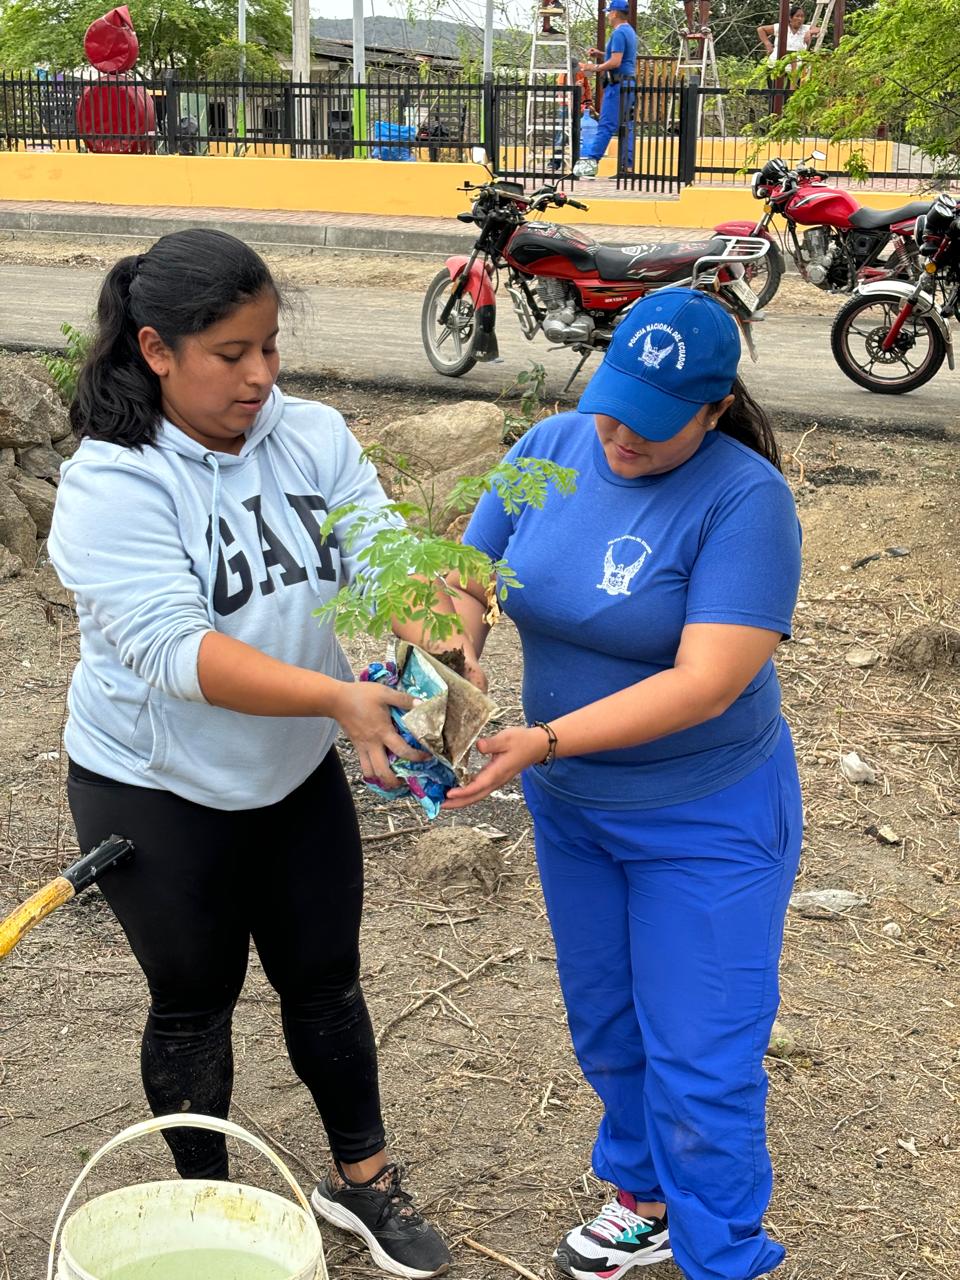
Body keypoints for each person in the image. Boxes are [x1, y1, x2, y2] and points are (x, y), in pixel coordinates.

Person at [47, 228, 468, 1280]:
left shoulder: (310, 434)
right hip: (152, 783)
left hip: (290, 768)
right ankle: (210, 1209)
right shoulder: (113, 482)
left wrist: (442, 629)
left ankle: (362, 1181)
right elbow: (172, 649)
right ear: (156, 350)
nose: (260, 375)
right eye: (231, 353)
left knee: (325, 978)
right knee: (193, 998)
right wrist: (337, 698)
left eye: (270, 347)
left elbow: (380, 555)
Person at [441, 288, 804, 1280]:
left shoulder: (746, 502)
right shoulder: (551, 449)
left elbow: (706, 681)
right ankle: (642, 1198)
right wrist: (453, 660)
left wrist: (547, 738)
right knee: (606, 1018)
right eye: (613, 407)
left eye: (653, 422)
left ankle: (724, 1253)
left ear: (714, 410)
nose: (621, 436)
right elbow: (467, 575)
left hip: (706, 818)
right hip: (575, 811)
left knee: (702, 1051)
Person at [574, 0, 638, 179]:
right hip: (628, 84)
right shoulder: (629, 31)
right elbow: (622, 57)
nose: (608, 16)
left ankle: (590, 163)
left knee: (606, 124)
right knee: (626, 125)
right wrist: (601, 54)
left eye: (609, 12)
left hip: (617, 85)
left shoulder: (618, 33)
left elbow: (616, 62)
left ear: (615, 13)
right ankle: (627, 167)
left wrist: (592, 67)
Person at [758, 5, 820, 80]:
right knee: (776, 86)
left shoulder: (806, 28)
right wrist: (767, 44)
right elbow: (761, 29)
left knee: (793, 86)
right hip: (776, 65)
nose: (800, 19)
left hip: (797, 69)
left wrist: (810, 32)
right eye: (797, 16)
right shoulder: (781, 27)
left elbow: (820, 30)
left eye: (802, 16)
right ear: (790, 18)